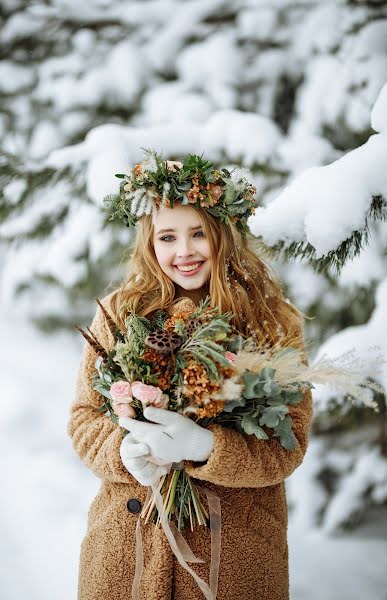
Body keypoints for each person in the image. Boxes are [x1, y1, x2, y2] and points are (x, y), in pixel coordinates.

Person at [67, 151, 313, 600]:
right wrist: (125, 451)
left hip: (234, 560)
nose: (183, 252)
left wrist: (205, 448)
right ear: (150, 243)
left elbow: (287, 445)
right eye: (167, 237)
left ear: (223, 233)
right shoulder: (120, 313)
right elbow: (84, 419)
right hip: (127, 553)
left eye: (198, 233)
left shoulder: (271, 322)